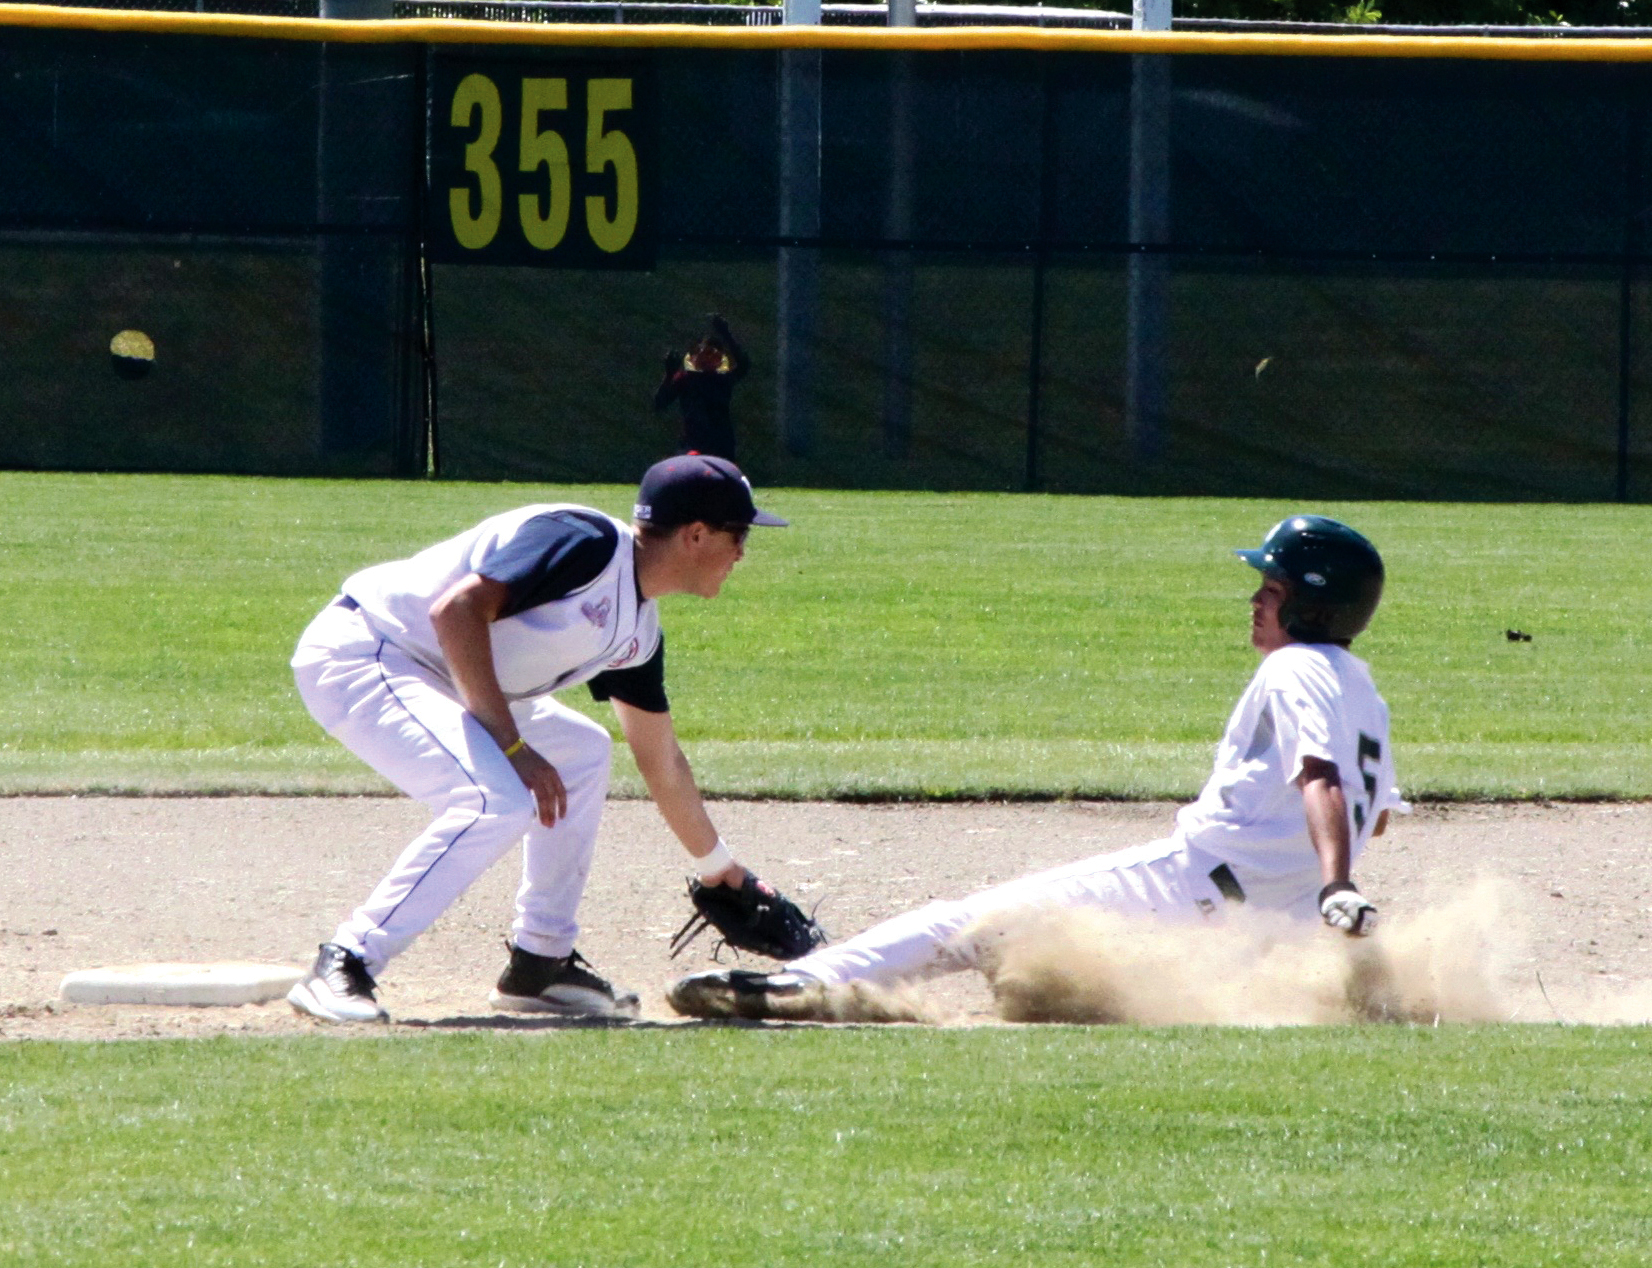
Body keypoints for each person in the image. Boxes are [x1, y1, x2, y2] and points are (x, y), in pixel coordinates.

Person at [668, 514, 1402, 1021]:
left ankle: (801, 983)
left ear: (1310, 606)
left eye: (1272, 589)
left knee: (972, 923)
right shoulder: (1365, 693)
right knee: (1057, 980)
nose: (1255, 599)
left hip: (1186, 885)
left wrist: (1338, 881)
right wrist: (1318, 883)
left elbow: (1321, 780)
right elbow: (1375, 813)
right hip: (1268, 932)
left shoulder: (1293, 669)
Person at [286, 454, 787, 1024]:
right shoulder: (585, 543)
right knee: (494, 798)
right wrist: (513, 748)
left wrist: (721, 868)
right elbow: (456, 611)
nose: (742, 553)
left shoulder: (636, 632)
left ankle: (540, 963)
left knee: (583, 751)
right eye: (739, 535)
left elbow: (662, 760)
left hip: (438, 673)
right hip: (369, 651)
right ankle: (346, 960)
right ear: (696, 535)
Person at [654, 313, 749, 462]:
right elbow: (660, 403)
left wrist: (726, 335)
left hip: (721, 445)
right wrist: (669, 374)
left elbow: (744, 364)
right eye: (701, 352)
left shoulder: (721, 380)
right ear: (693, 357)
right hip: (693, 444)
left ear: (719, 360)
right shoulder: (686, 379)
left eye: (711, 353)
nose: (705, 357)